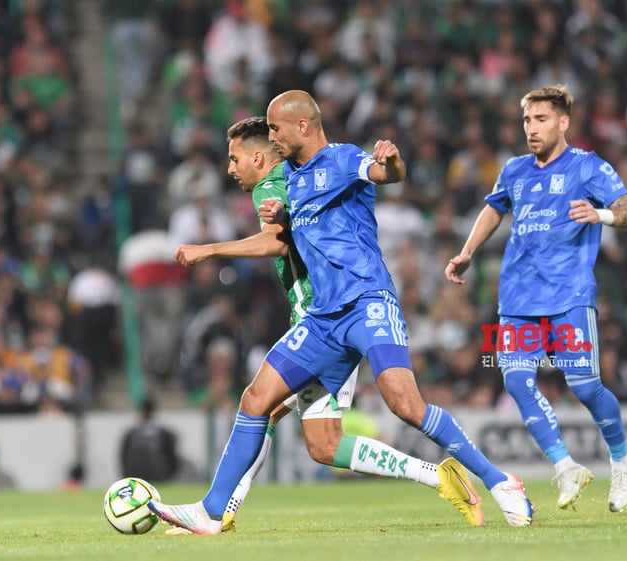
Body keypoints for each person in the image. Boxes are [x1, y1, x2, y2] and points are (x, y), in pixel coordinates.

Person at [150, 90, 533, 534]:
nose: (271, 137)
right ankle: (212, 512)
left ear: (302, 127)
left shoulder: (341, 158)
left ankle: (501, 481)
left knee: (406, 404)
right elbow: (287, 232)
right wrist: (282, 214)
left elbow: (383, 174)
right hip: (322, 319)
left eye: (275, 128)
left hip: (368, 301)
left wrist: (392, 162)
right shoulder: (290, 180)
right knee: (259, 401)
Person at [445, 84, 627, 513]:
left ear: (563, 121)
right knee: (515, 379)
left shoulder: (588, 167)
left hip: (568, 294)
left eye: (541, 120)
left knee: (585, 386)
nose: (531, 129)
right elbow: (495, 208)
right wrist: (467, 252)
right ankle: (565, 466)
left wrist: (601, 214)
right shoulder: (515, 169)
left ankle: (623, 458)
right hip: (517, 297)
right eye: (527, 121)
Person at [120, 397, 180, 483]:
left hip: (139, 476)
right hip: (158, 476)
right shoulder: (163, 434)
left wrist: (126, 475)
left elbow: (124, 456)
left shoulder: (132, 434)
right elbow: (172, 457)